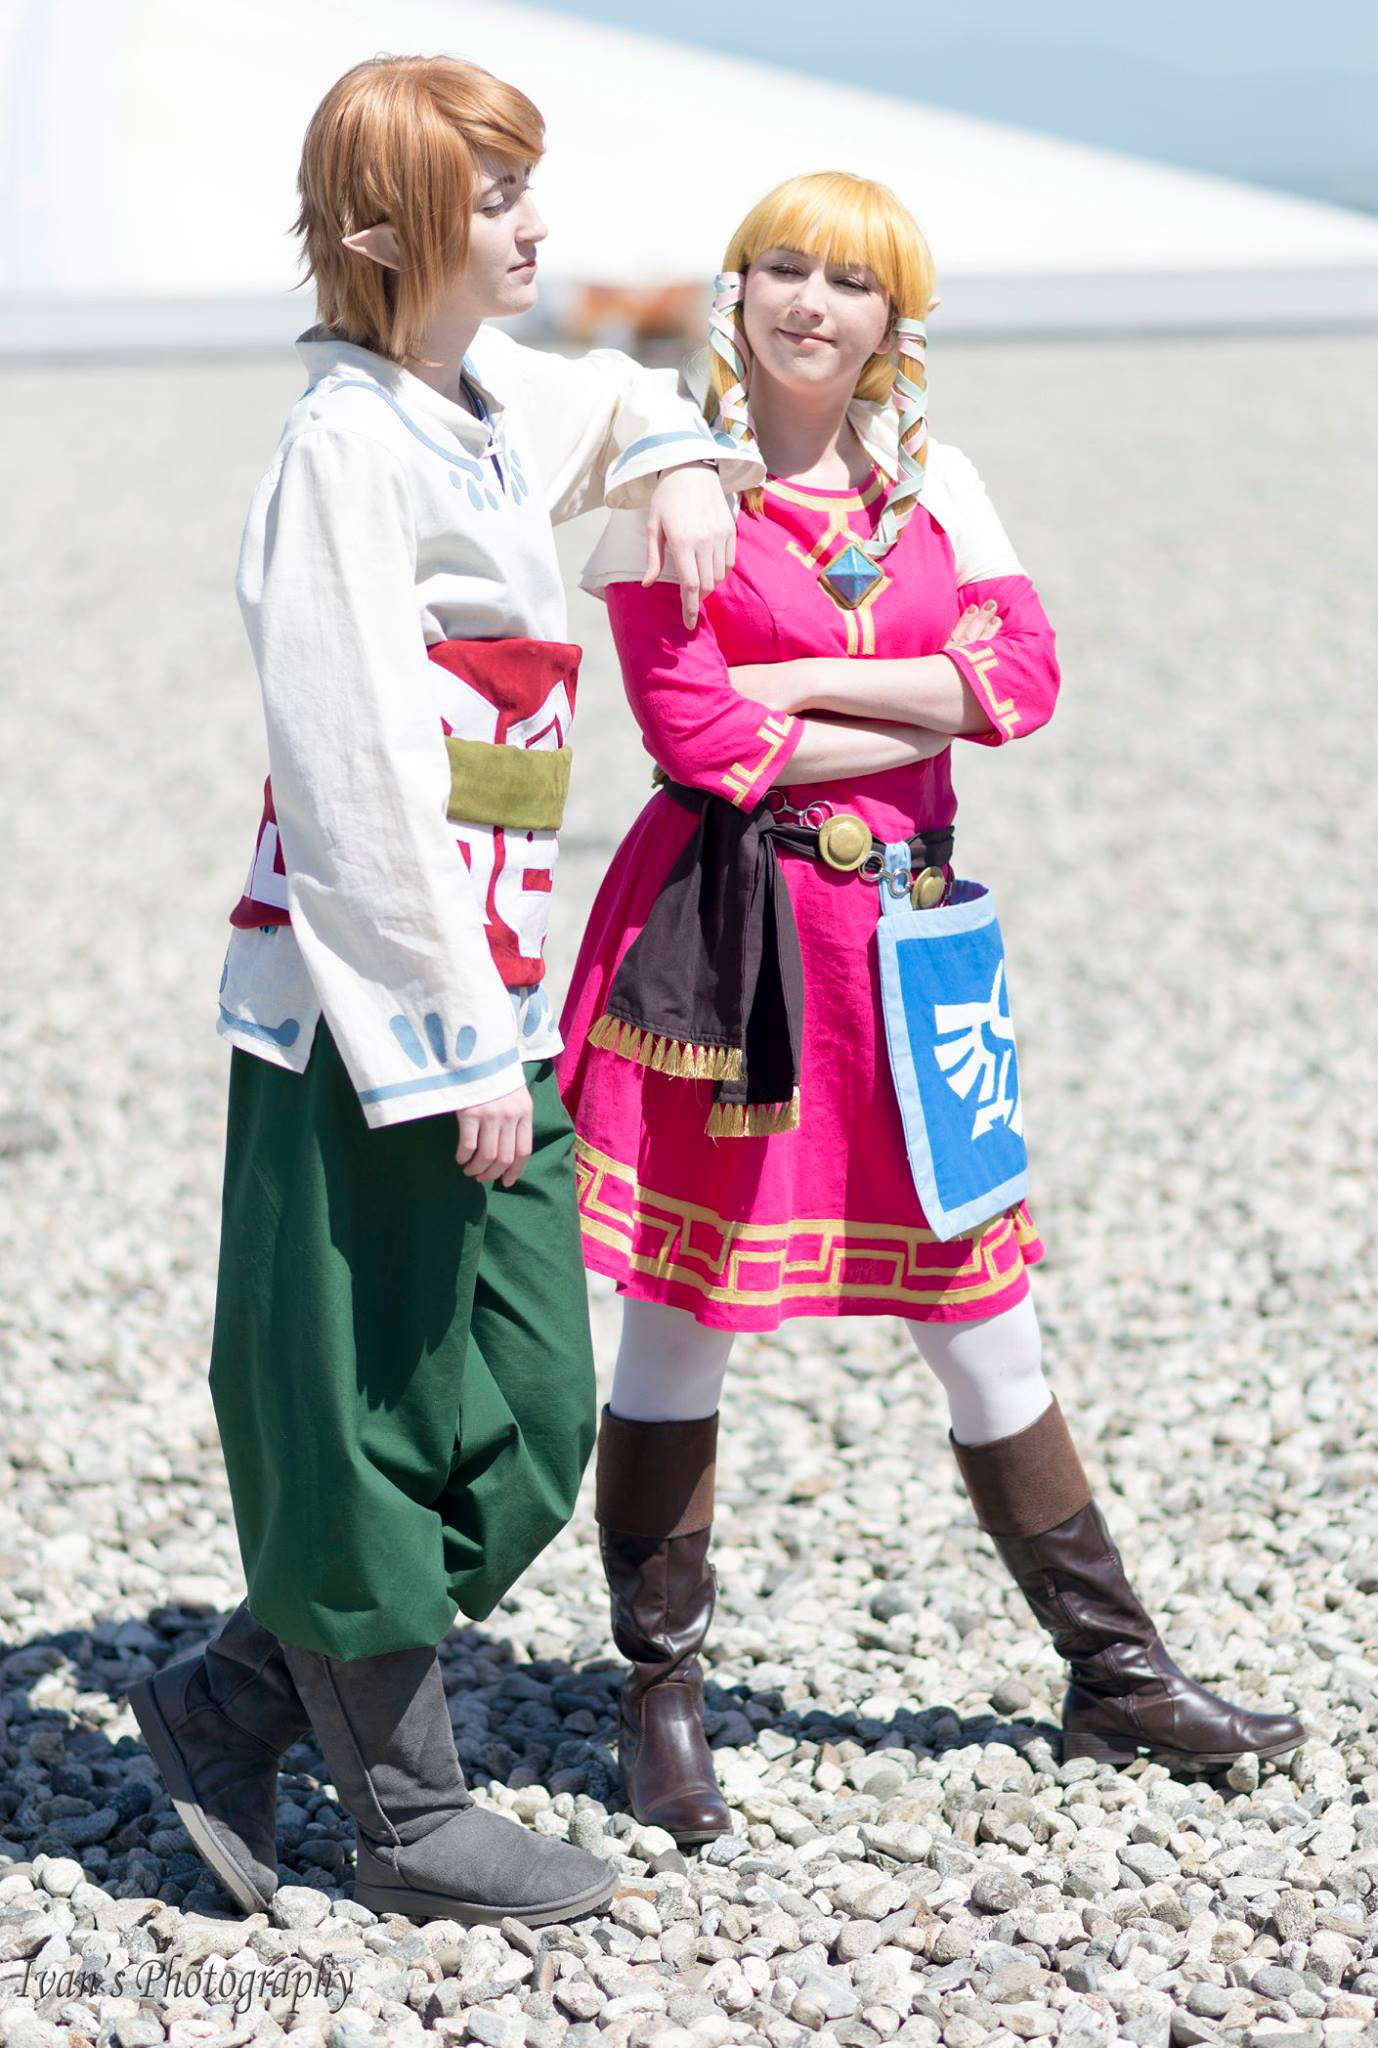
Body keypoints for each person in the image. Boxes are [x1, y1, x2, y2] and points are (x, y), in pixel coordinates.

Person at [557, 170, 1305, 1843]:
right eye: (782, 268)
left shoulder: (936, 483)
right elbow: (696, 738)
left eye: (850, 280)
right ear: (735, 290)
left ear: (894, 317)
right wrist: (921, 707)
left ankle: (1114, 1674)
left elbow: (1021, 681)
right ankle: (659, 1696)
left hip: (908, 939)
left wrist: (811, 680)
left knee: (981, 1309)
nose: (810, 302)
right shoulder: (674, 485)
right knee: (685, 1308)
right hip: (732, 941)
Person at [127, 54, 757, 1927]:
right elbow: (348, 765)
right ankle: (404, 1812)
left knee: (533, 1401)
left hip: (499, 966)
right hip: (375, 996)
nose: (536, 226)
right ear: (388, 227)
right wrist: (444, 1038)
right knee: (369, 1395)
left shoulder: (473, 401)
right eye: (494, 200)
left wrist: (678, 456)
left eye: (525, 187)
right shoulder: (342, 444)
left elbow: (619, 397)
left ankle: (235, 1695)